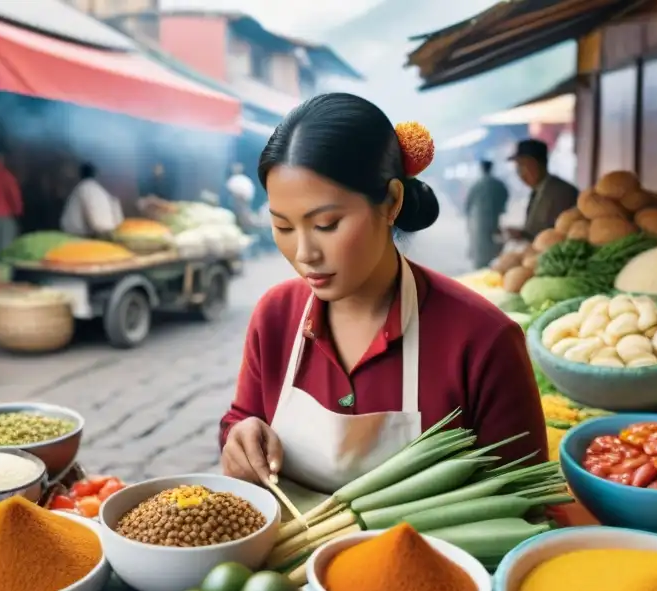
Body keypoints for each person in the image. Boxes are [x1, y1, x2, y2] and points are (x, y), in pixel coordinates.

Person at [218, 93, 547, 492]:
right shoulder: (275, 317)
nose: (304, 254)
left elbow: (526, 503)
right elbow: (243, 419)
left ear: (391, 201)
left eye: (326, 224)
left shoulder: (483, 340)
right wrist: (241, 436)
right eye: (283, 227)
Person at [504, 139, 579, 242]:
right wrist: (522, 234)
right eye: (517, 168)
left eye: (521, 166)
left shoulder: (561, 192)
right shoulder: (538, 190)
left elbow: (560, 234)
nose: (520, 174)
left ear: (535, 164)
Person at [464, 159, 509, 268]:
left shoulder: (477, 184)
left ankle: (481, 265)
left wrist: (468, 214)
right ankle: (492, 263)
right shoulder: (498, 183)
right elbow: (505, 194)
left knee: (480, 241)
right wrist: (501, 208)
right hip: (494, 217)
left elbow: (468, 201)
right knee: (492, 239)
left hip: (479, 218)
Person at [60, 163, 124, 238]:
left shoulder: (84, 188)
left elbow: (97, 222)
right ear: (95, 175)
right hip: (88, 235)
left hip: (80, 234)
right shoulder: (99, 190)